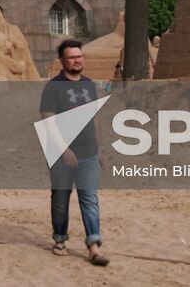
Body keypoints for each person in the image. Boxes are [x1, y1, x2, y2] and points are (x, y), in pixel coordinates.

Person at [39, 40, 109, 266]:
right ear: (63, 60)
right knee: (60, 199)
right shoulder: (52, 87)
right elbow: (48, 121)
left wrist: (100, 148)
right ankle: (60, 239)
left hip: (88, 153)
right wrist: (64, 149)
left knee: (89, 198)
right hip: (61, 155)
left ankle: (94, 246)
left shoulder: (89, 85)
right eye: (72, 57)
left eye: (80, 56)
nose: (78, 60)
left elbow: (96, 118)